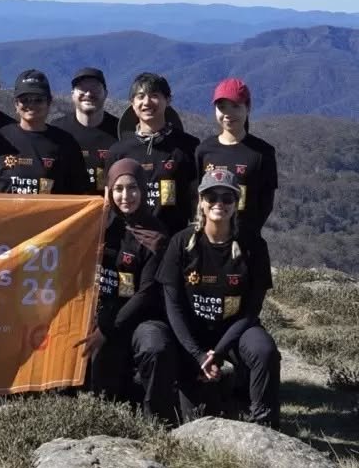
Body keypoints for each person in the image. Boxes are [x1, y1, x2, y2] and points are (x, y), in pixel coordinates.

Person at [157, 168, 280, 428]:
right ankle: (224, 388)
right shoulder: (181, 242)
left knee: (264, 350)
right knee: (195, 417)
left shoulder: (253, 246)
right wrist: (199, 355)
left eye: (227, 198)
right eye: (211, 197)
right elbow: (174, 306)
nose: (219, 204)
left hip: (235, 332)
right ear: (201, 201)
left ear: (237, 203)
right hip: (193, 334)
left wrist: (219, 351)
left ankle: (265, 425)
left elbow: (251, 310)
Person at [77, 158, 177, 425]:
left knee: (155, 347)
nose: (126, 196)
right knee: (97, 364)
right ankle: (104, 419)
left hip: (143, 317)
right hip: (106, 311)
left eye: (132, 188)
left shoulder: (157, 235)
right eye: (118, 189)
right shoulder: (101, 227)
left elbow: (145, 293)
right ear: (109, 190)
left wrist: (106, 330)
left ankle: (156, 422)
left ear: (143, 190)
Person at [106, 73, 200, 233]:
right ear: (132, 103)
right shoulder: (118, 151)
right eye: (140, 96)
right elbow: (108, 203)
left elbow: (196, 201)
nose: (147, 102)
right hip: (128, 241)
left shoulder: (188, 146)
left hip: (173, 241)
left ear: (168, 100)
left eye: (154, 96)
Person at [0, 70, 89, 194]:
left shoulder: (66, 143)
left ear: (49, 102)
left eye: (38, 100)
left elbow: (79, 193)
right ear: (16, 103)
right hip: (5, 213)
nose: (31, 105)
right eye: (25, 100)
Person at [195, 78, 278, 237]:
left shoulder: (262, 153)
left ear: (248, 107)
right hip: (209, 240)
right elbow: (197, 196)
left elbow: (265, 203)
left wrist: (248, 234)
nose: (228, 114)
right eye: (222, 107)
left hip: (247, 241)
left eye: (235, 106)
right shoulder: (204, 150)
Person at [50, 67, 119, 195]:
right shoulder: (56, 130)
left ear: (106, 94)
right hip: (70, 212)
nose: (88, 94)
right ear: (72, 94)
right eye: (82, 88)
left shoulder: (120, 131)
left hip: (109, 212)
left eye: (94, 88)